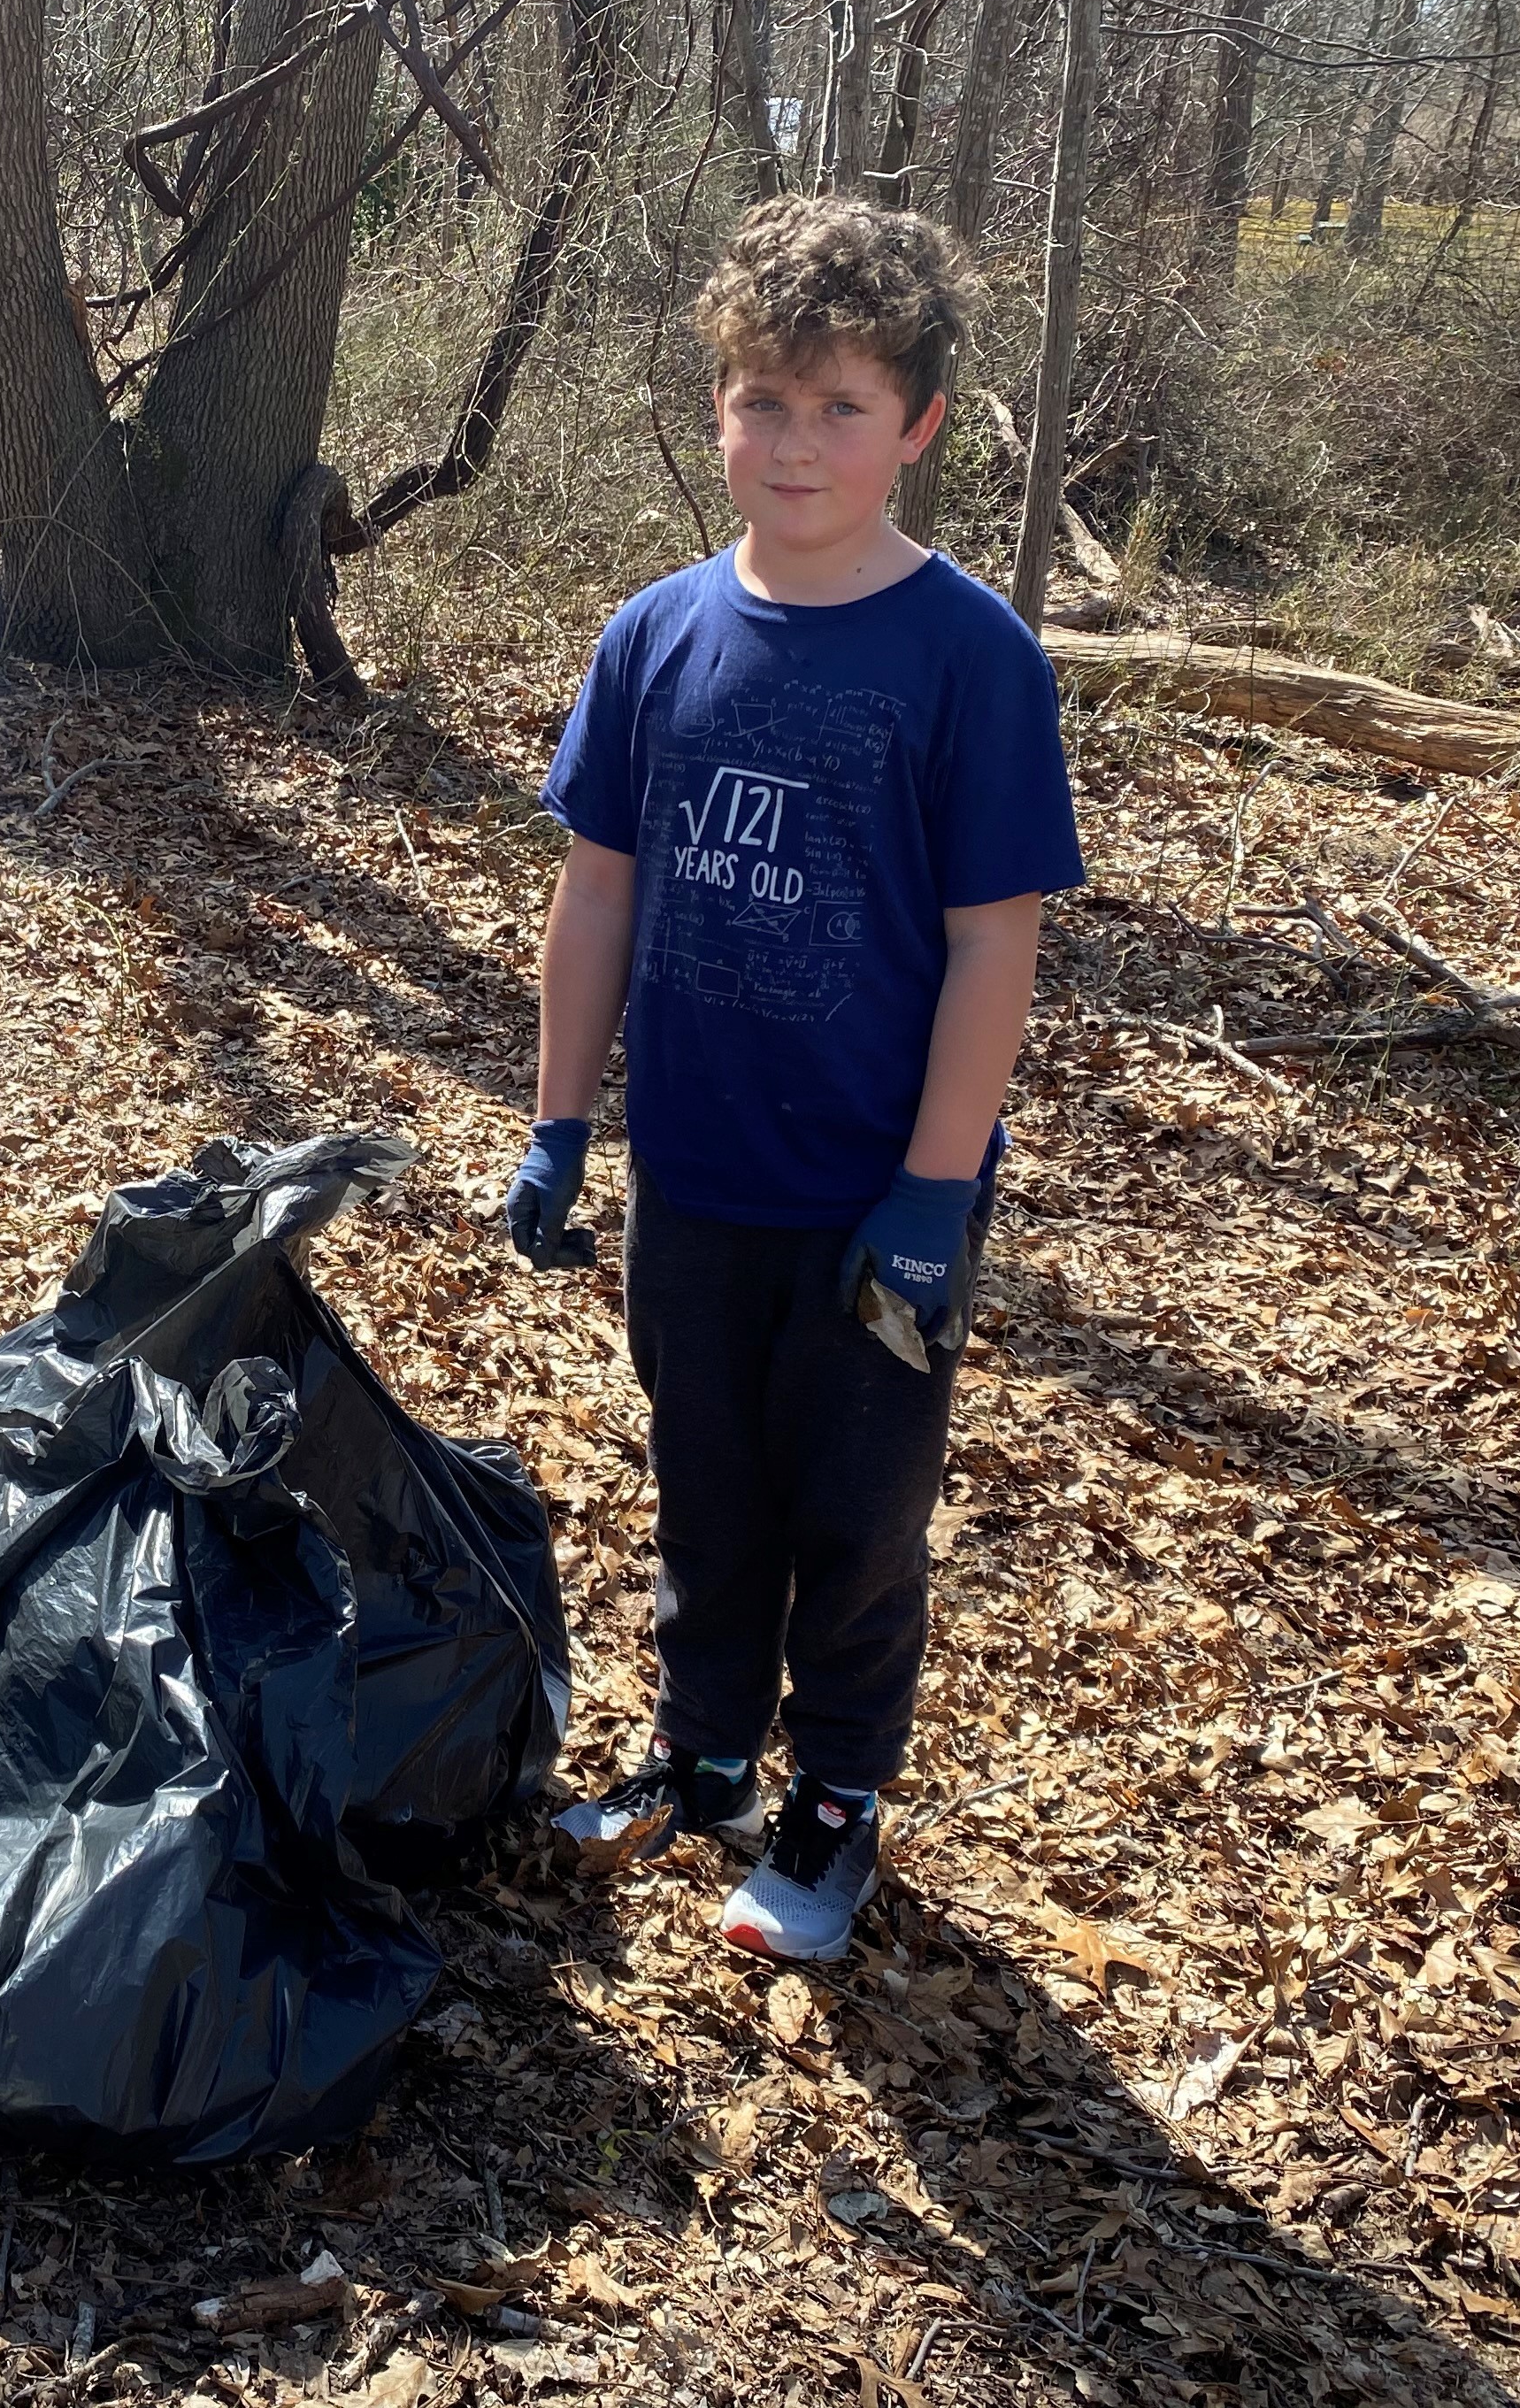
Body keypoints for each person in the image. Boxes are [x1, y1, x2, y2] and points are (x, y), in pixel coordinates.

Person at [504, 195, 1085, 1963]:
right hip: (698, 1171)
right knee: (709, 1484)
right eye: (766, 399)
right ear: (718, 411)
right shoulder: (658, 634)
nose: (797, 442)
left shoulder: (966, 656)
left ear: (915, 426)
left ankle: (834, 1806)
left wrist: (932, 1190)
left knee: (854, 1516)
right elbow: (600, 889)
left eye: (843, 407)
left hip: (871, 1192)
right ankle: (701, 1760)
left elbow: (996, 940)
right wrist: (557, 1121)